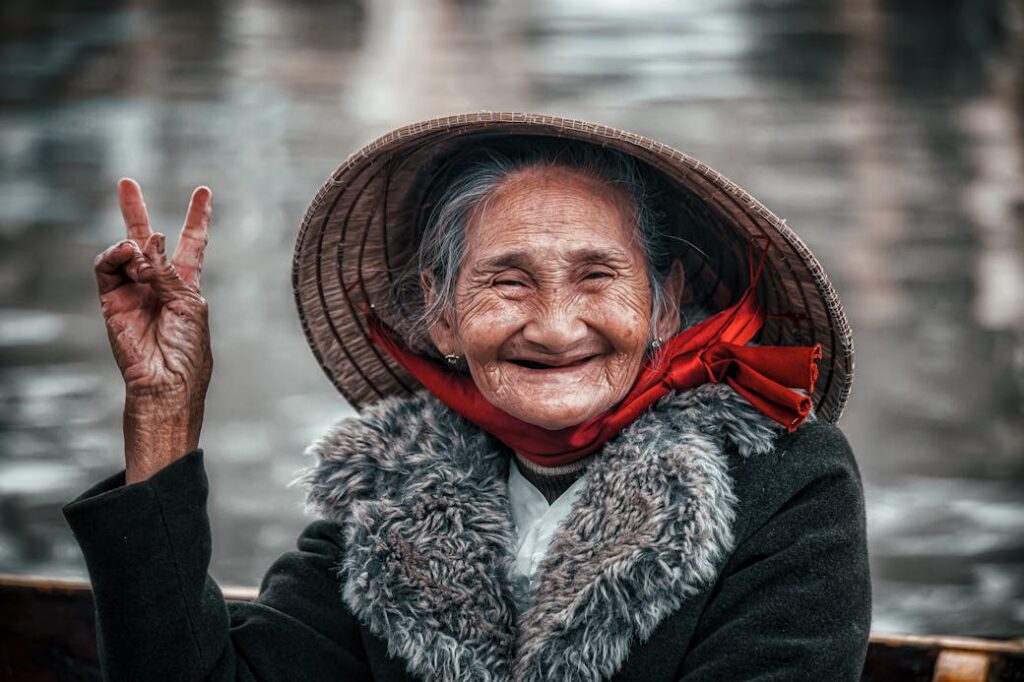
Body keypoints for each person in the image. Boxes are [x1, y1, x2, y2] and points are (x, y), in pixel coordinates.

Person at [63, 112, 871, 682]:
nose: (555, 329)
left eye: (597, 277)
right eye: (506, 281)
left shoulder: (785, 483)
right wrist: (164, 409)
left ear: (663, 305)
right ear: (443, 316)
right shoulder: (388, 502)